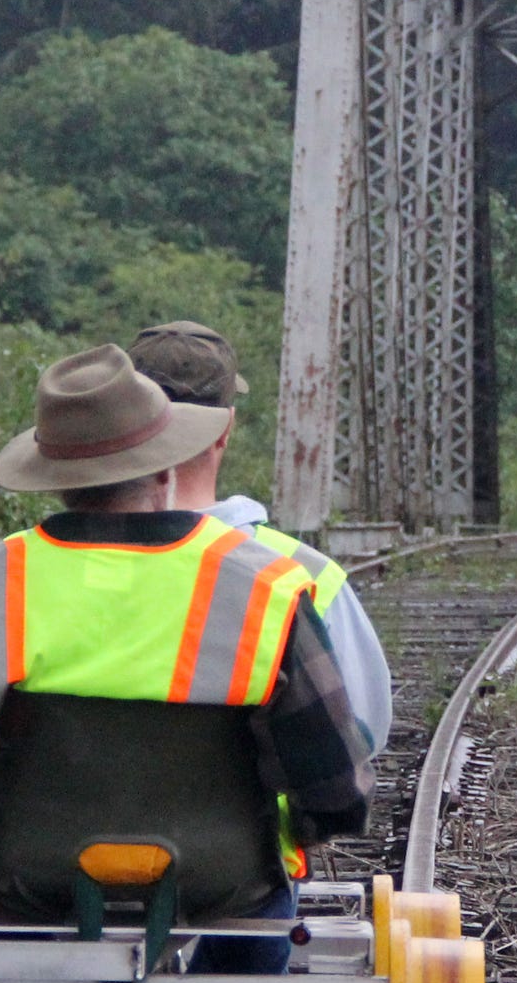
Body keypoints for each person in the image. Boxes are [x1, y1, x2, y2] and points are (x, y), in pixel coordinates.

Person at [0, 345, 371, 983]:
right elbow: (338, 790)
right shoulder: (268, 588)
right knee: (271, 887)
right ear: (167, 465)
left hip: (27, 881)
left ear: (52, 474)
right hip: (221, 881)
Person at [123, 322, 393, 756]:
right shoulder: (308, 577)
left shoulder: (20, 574)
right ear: (225, 429)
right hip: (245, 826)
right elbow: (361, 739)